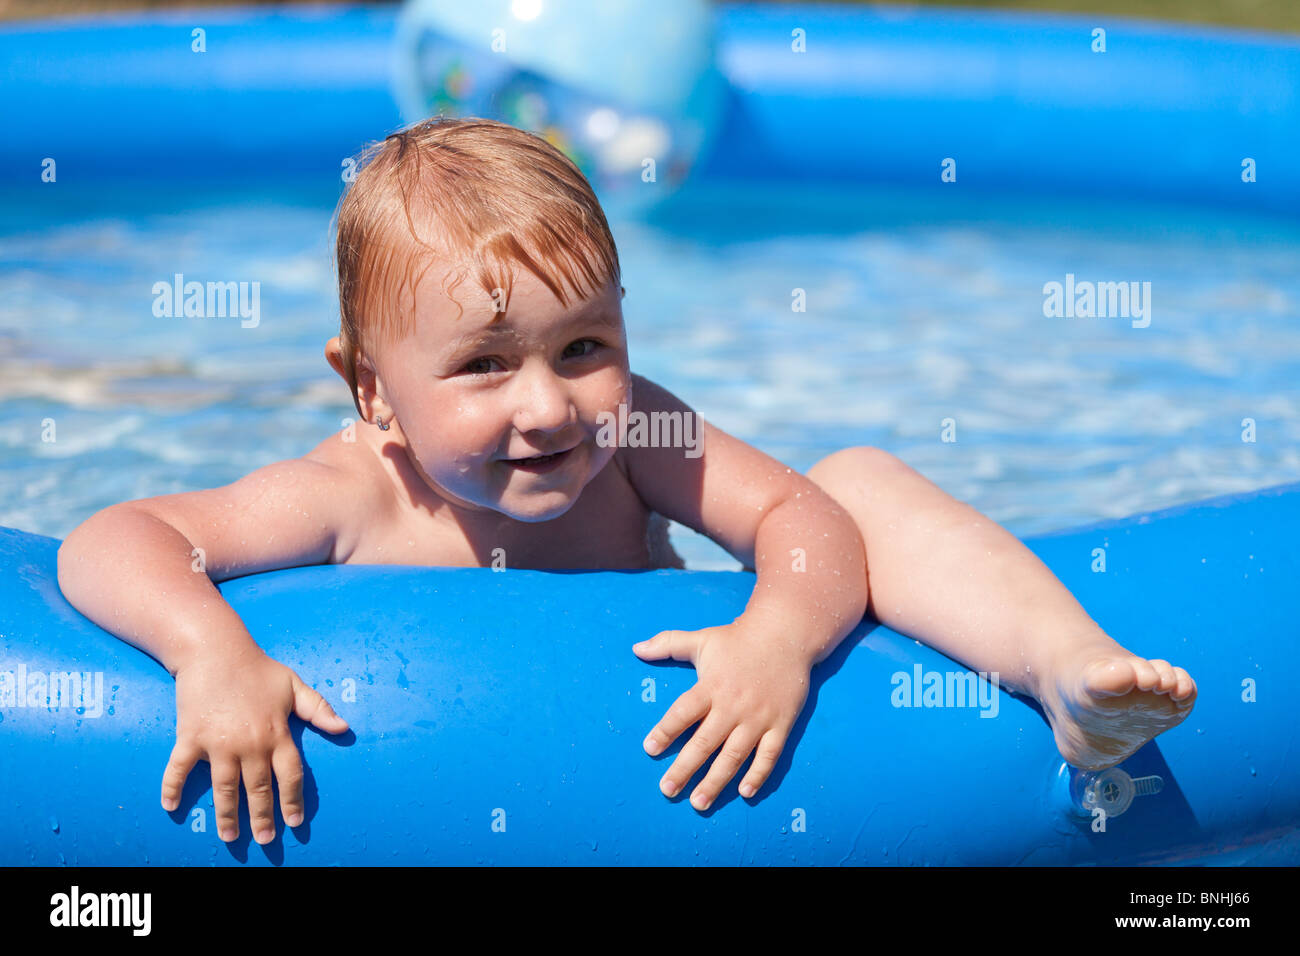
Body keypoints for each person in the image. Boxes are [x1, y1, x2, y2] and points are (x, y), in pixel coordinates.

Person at [56, 116, 1196, 847]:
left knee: (853, 476)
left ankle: (1065, 672)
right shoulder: (354, 492)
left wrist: (780, 633)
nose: (548, 404)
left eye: (585, 347)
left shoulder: (639, 426)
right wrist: (211, 652)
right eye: (485, 364)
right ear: (372, 394)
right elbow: (117, 536)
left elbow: (798, 517)